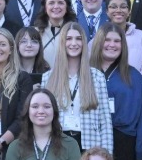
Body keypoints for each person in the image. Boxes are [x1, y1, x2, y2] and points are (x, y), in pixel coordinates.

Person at [91, 26, 142, 160]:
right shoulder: (86, 73)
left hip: (124, 142)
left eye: (117, 41)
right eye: (107, 40)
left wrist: (139, 149)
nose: (112, 45)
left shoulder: (134, 76)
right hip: (93, 140)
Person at [40, 21, 113, 152]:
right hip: (57, 143)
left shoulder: (97, 77)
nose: (74, 43)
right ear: (62, 43)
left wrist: (107, 155)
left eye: (78, 39)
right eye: (69, 39)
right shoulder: (47, 78)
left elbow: (105, 121)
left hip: (89, 144)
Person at [104, 0, 142, 91]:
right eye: (113, 7)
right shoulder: (99, 38)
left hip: (135, 95)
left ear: (129, 12)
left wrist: (141, 94)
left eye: (123, 7)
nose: (118, 10)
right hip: (105, 96)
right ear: (107, 11)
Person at [34, 0, 78, 70]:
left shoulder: (75, 32)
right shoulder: (36, 32)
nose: (56, 6)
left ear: (67, 8)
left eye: (61, 3)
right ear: (45, 8)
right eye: (51, 3)